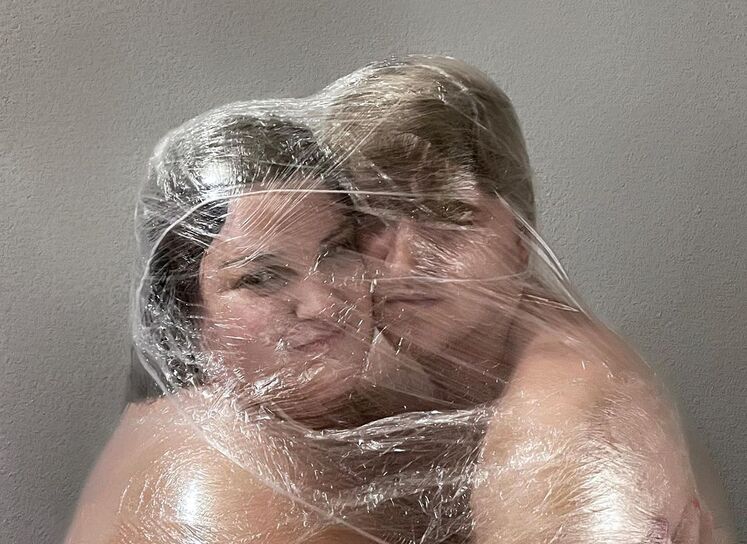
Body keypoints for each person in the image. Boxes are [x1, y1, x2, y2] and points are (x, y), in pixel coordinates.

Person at [321, 55, 736, 543]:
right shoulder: (398, 374)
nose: (404, 260)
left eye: (448, 215)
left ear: (521, 235)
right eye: (373, 219)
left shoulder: (560, 409)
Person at [65, 112, 384, 543]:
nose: (323, 304)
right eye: (261, 277)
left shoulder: (301, 417)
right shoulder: (224, 490)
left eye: (336, 251)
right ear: (186, 312)